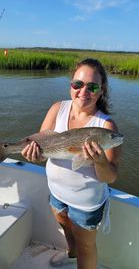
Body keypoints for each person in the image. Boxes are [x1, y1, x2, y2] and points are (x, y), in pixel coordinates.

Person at [22, 58, 121, 269]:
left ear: (101, 90)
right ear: (71, 85)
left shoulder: (107, 127)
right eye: (78, 84)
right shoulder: (58, 108)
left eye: (92, 86)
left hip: (86, 204)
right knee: (65, 227)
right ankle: (72, 255)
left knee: (87, 246)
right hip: (57, 194)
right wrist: (33, 154)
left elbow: (110, 177)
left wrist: (100, 161)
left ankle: (79, 255)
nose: (83, 91)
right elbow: (41, 148)